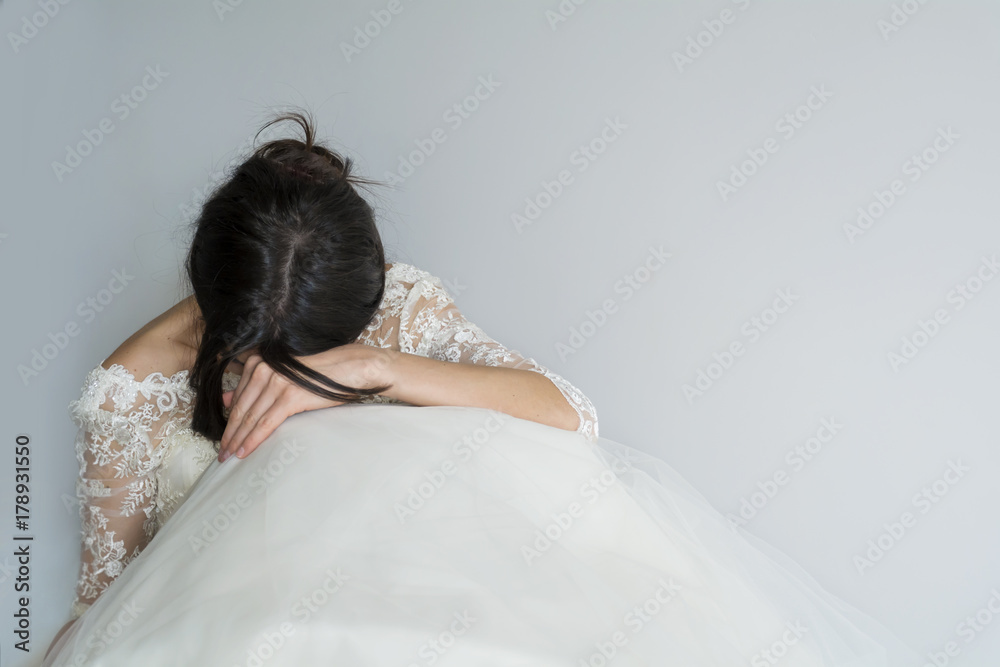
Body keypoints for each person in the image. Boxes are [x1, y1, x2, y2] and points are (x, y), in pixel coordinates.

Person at [38, 110, 921, 666]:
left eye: (323, 350)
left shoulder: (398, 310)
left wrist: (377, 368)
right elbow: (111, 593)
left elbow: (569, 415)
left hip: (437, 607)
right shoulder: (134, 384)